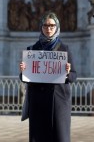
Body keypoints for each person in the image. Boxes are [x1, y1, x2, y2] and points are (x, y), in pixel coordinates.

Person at [19, 12, 77, 142]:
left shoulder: (64, 49)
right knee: (39, 136)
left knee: (60, 137)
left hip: (59, 102)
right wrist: (23, 71)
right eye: (45, 26)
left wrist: (67, 73)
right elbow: (25, 78)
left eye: (51, 25)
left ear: (57, 27)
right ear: (41, 27)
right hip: (38, 102)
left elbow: (74, 75)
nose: (48, 29)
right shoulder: (33, 49)